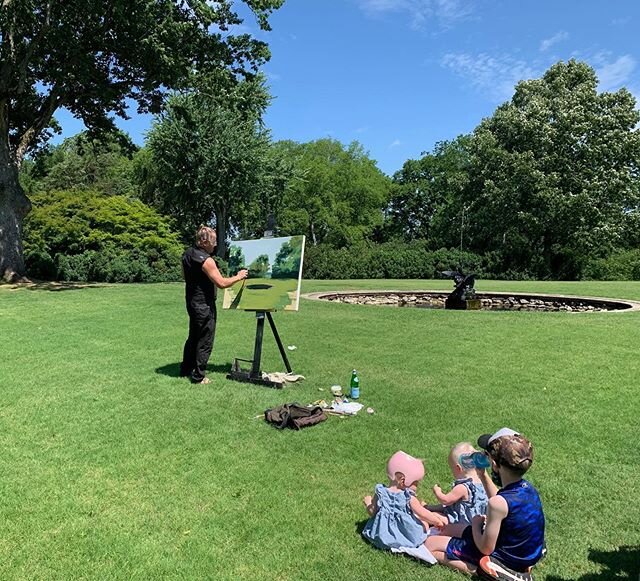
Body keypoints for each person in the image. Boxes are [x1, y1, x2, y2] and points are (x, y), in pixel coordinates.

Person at [426, 429, 545, 580]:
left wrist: (476, 524)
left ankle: (491, 571)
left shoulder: (497, 504)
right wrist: (482, 474)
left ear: (494, 465)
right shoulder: (527, 488)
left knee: (430, 545)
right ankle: (512, 566)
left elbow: (486, 548)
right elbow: (501, 499)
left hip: (506, 558)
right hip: (526, 551)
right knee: (451, 528)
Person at [179, 226, 248, 384]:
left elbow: (184, 275)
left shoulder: (187, 254)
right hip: (204, 305)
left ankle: (185, 369)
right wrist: (239, 276)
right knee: (205, 340)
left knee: (193, 337)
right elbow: (222, 283)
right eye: (213, 241)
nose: (215, 245)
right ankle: (198, 376)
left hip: (191, 301)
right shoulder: (206, 260)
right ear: (204, 241)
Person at [362, 451, 449, 551]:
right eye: (415, 483)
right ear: (403, 480)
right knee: (424, 523)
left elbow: (372, 512)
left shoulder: (381, 493)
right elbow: (423, 513)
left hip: (380, 536)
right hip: (404, 535)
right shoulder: (408, 498)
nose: (417, 486)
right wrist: (437, 521)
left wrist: (368, 503)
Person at [424, 442, 488, 531]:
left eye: (452, 469)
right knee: (451, 506)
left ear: (458, 468)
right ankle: (429, 507)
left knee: (435, 516)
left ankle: (425, 514)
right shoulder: (483, 482)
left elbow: (446, 500)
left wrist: (437, 491)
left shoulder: (463, 487)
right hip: (479, 521)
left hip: (463, 523)